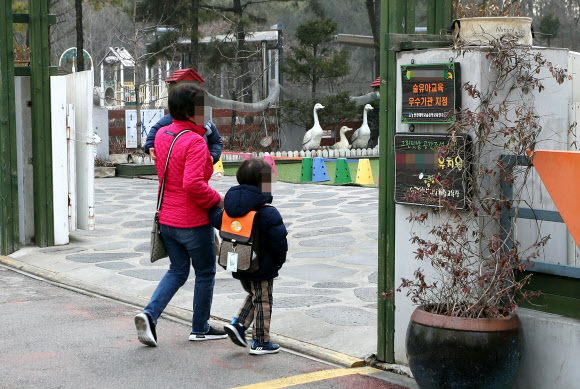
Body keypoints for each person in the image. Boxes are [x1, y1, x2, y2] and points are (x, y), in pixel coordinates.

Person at [135, 84, 227, 347]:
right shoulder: (196, 141)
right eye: (202, 108)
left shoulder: (163, 135)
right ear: (191, 111)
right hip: (192, 221)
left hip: (166, 219)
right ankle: (200, 327)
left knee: (177, 271)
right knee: (206, 272)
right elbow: (193, 184)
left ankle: (149, 315)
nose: (206, 113)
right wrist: (217, 199)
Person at [209, 158, 288, 355]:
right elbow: (279, 242)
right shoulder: (268, 213)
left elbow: (215, 218)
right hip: (261, 266)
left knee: (254, 295)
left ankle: (239, 324)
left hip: (239, 263)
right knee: (263, 301)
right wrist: (278, 262)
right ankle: (261, 341)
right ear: (263, 184)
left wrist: (211, 203)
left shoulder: (229, 211)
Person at [144, 113, 223, 164]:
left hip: (199, 163)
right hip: (175, 163)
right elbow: (155, 129)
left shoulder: (204, 121)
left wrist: (213, 156)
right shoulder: (172, 118)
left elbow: (216, 142)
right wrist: (150, 145)